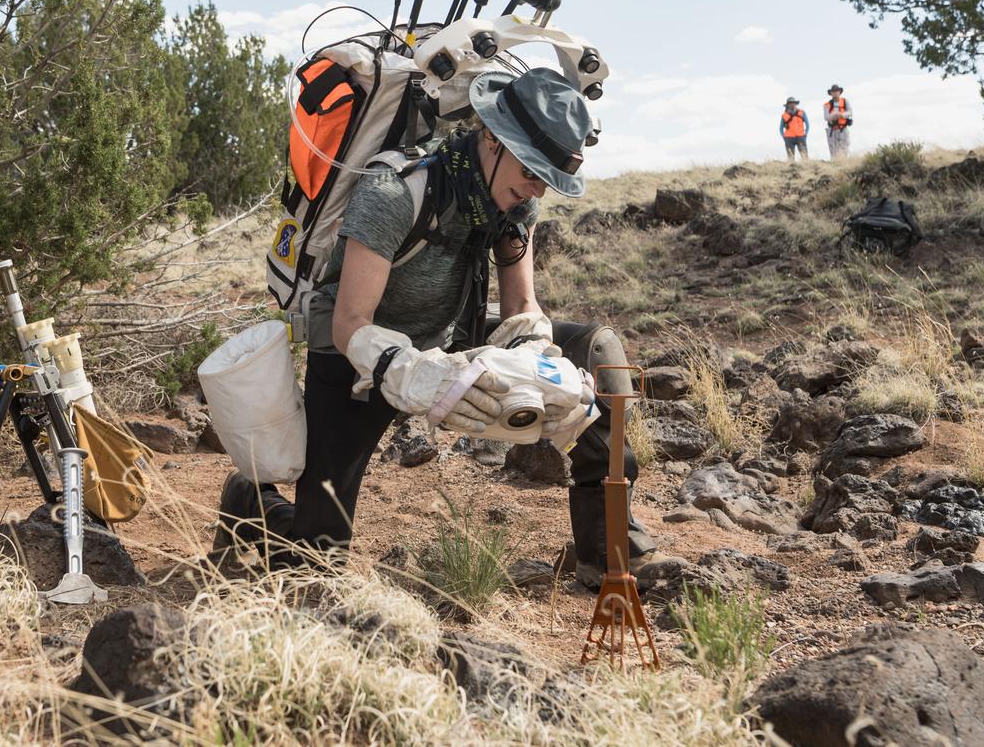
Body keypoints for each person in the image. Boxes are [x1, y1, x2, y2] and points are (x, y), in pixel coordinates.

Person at [213, 67, 655, 589]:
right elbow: (350, 320)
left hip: (452, 337)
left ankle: (607, 555)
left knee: (598, 352)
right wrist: (413, 376)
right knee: (318, 562)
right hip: (360, 350)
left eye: (547, 179)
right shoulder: (393, 192)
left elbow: (521, 303)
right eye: (532, 170)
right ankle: (249, 503)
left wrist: (542, 362)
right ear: (492, 138)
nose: (536, 188)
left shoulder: (518, 203)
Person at [824, 84, 852, 160]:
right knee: (833, 149)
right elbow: (826, 117)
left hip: (843, 129)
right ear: (831, 93)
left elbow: (850, 112)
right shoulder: (827, 105)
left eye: (837, 91)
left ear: (839, 92)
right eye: (833, 91)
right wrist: (833, 116)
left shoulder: (845, 101)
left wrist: (842, 115)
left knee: (844, 147)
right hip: (832, 130)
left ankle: (844, 163)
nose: (835, 93)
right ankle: (834, 164)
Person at [779, 97, 809, 162]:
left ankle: (806, 168)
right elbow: (780, 128)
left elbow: (807, 124)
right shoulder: (784, 115)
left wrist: (806, 133)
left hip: (801, 137)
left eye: (793, 103)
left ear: (796, 104)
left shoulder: (802, 112)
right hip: (789, 138)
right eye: (790, 103)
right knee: (790, 158)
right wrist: (783, 136)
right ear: (787, 105)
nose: (792, 105)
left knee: (804, 157)